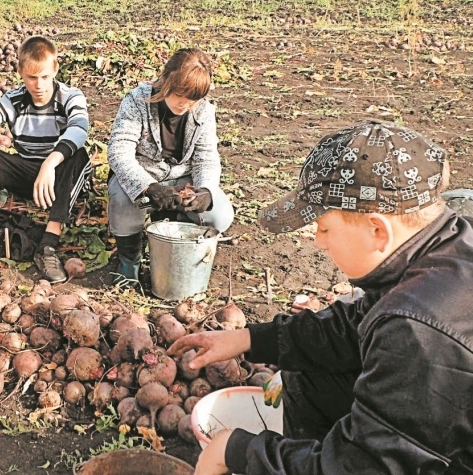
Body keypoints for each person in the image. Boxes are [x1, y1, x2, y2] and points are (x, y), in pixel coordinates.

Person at [168, 120, 473, 475]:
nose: (318, 241)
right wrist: (250, 338)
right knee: (307, 375)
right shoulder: (445, 244)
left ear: (378, 230)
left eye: (324, 228)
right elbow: (354, 329)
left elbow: (363, 469)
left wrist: (237, 450)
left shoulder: (418, 327)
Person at [0, 35, 92, 283]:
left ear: (55, 68)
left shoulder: (70, 96)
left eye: (45, 77)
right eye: (31, 78)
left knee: (77, 154)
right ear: (20, 72)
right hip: (28, 174)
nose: (39, 85)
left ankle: (48, 245)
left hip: (60, 174)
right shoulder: (13, 100)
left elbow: (80, 128)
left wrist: (50, 163)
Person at [106, 48, 234, 287]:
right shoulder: (137, 101)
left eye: (193, 98)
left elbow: (206, 157)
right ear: (166, 80)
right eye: (179, 94)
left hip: (182, 180)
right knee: (124, 201)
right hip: (144, 179)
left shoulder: (204, 110)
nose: (185, 103)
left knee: (220, 215)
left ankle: (174, 222)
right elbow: (118, 152)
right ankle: (129, 258)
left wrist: (205, 191)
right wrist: (148, 188)